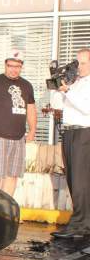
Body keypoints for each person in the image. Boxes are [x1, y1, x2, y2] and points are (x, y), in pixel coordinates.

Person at [0, 50, 36, 197]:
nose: (13, 69)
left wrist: (32, 130)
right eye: (10, 65)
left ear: (21, 66)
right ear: (5, 64)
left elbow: (30, 109)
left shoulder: (27, 85)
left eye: (17, 66)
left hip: (18, 139)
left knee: (12, 176)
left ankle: (6, 210)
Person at [51, 48, 90, 238]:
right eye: (78, 62)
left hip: (84, 133)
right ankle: (83, 223)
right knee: (73, 179)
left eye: (83, 63)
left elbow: (86, 108)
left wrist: (68, 91)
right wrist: (58, 87)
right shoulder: (76, 82)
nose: (79, 66)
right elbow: (58, 106)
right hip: (69, 132)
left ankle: (79, 226)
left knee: (81, 181)